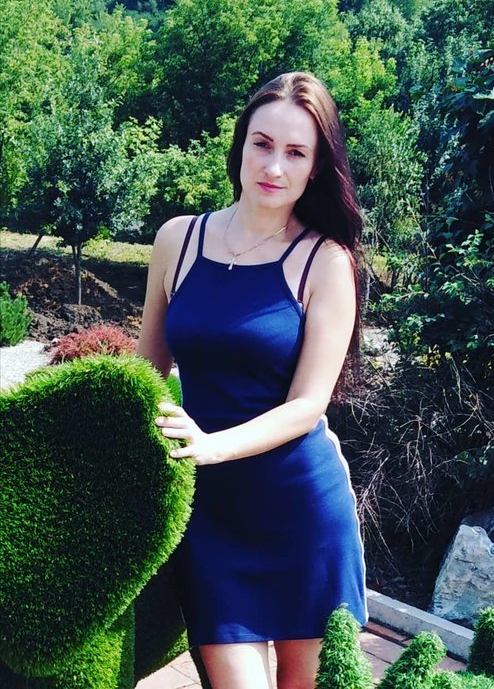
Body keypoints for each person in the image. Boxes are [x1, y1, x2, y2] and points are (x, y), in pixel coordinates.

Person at [137, 71, 367, 689]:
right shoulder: (178, 240)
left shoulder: (326, 261)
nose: (274, 166)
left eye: (296, 152)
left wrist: (211, 446)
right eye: (262, 144)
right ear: (240, 144)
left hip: (302, 516)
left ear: (316, 169)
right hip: (209, 519)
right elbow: (146, 373)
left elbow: (308, 405)